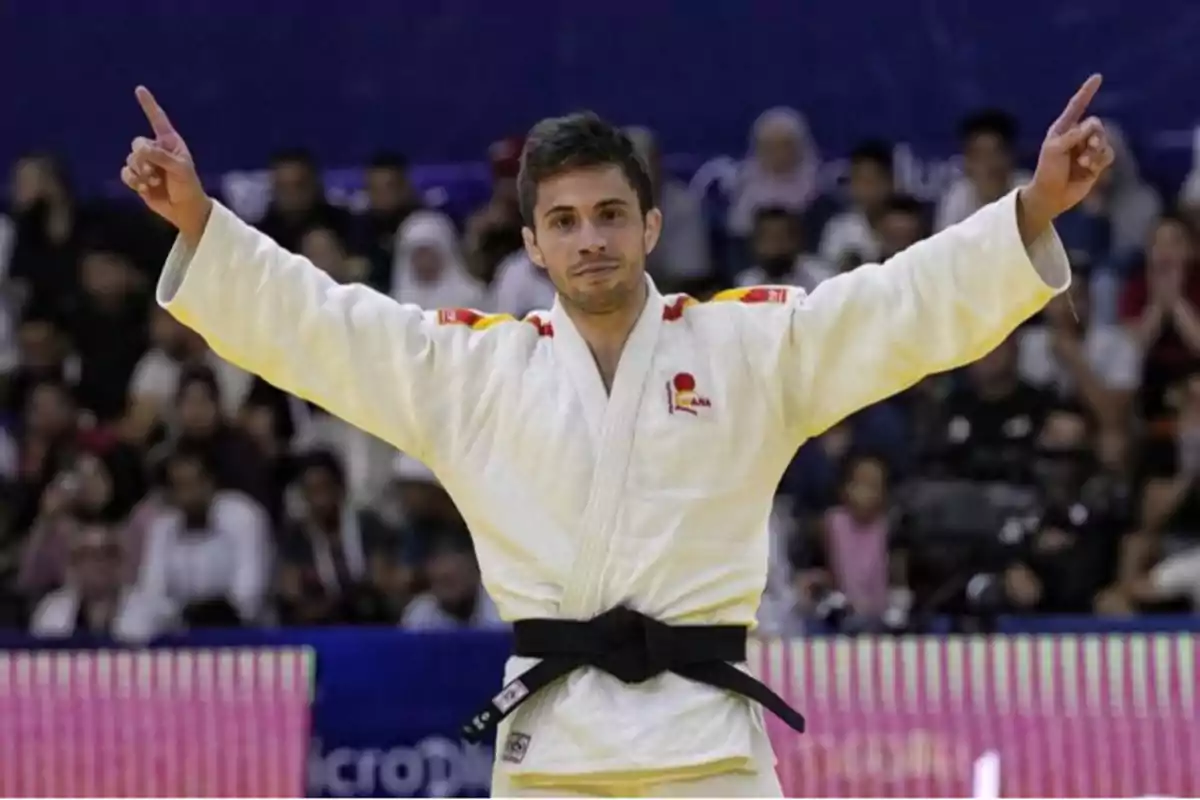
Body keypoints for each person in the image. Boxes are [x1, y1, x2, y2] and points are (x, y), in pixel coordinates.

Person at [120, 76, 1113, 797]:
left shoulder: (748, 346)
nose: (588, 236)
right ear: (532, 244)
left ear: (650, 226)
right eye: (564, 220)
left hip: (712, 749)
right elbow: (324, 327)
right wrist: (205, 224)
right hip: (555, 752)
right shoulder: (472, 371)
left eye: (608, 214)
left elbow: (898, 307)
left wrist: (1029, 211)